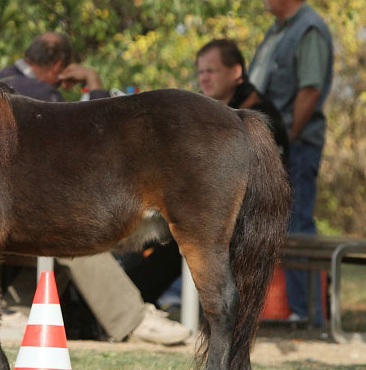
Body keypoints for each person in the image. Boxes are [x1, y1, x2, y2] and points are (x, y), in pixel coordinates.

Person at [0, 32, 192, 346]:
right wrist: (93, 83)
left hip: (3, 207)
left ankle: (21, 309)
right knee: (78, 232)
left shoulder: (2, 82)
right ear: (60, 65)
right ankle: (134, 319)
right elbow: (98, 140)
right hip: (10, 213)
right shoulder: (36, 92)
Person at [121, 38, 292, 306]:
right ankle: (114, 304)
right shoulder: (206, 113)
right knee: (138, 227)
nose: (204, 78)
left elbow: (262, 187)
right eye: (200, 72)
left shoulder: (260, 113)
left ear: (236, 72)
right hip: (210, 210)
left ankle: (126, 306)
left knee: (178, 239)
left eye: (211, 71)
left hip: (251, 216)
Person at [248, 0, 333, 326]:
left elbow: (310, 89)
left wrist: (290, 137)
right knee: (276, 223)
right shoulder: (277, 30)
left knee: (297, 223)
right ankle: (291, 311)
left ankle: (308, 314)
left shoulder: (309, 28)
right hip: (272, 144)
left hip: (296, 144)